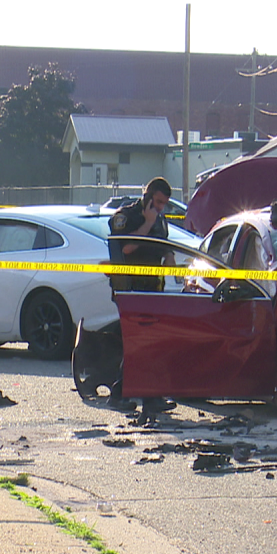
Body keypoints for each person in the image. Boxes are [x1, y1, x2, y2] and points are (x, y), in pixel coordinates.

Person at [108, 177, 178, 418]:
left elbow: (162, 245)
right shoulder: (127, 216)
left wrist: (169, 256)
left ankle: (150, 398)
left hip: (152, 289)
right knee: (139, 344)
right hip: (131, 289)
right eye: (158, 202)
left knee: (149, 344)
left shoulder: (160, 219)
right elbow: (125, 248)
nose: (160, 208)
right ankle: (120, 395)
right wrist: (147, 223)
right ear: (148, 196)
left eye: (164, 204)